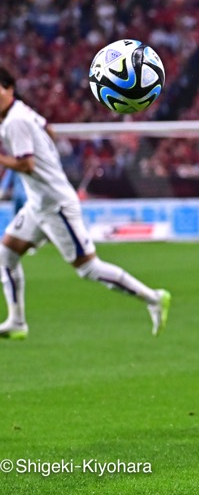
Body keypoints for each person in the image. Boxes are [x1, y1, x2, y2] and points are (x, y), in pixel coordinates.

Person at [0, 67, 171, 339]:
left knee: (89, 269)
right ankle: (17, 322)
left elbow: (26, 163)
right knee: (6, 254)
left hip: (55, 205)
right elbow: (49, 130)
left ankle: (153, 297)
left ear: (9, 89)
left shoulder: (14, 122)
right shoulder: (22, 111)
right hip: (38, 203)